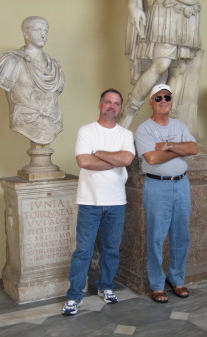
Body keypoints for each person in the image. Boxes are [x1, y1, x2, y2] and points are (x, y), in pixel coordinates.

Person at [62, 89, 135, 316]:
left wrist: (99, 153)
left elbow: (127, 159)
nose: (112, 106)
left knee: (111, 250)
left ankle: (106, 287)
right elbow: (84, 161)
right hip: (89, 201)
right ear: (100, 104)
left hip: (116, 202)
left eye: (116, 103)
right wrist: (114, 159)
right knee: (83, 251)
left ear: (120, 108)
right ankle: (75, 296)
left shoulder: (125, 134)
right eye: (108, 102)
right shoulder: (86, 131)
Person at [135, 84, 197, 303]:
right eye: (158, 98)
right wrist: (177, 149)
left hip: (181, 185)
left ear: (171, 101)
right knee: (156, 237)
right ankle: (157, 284)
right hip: (157, 187)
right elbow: (151, 158)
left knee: (182, 235)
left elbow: (193, 149)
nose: (163, 101)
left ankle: (177, 279)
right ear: (151, 102)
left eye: (167, 98)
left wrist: (166, 146)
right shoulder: (144, 129)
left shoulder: (179, 125)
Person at [118, 0, 204, 136]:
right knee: (161, 64)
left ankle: (168, 125)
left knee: (180, 68)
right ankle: (127, 115)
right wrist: (133, 5)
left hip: (190, 11)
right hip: (166, 8)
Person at [0, 16, 64, 145]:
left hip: (52, 120)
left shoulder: (55, 66)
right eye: (38, 30)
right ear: (26, 33)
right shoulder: (11, 61)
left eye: (45, 31)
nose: (43, 35)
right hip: (25, 120)